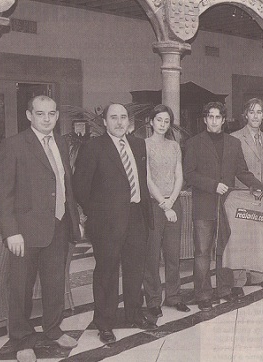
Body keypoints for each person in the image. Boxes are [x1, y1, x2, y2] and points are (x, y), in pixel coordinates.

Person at [0, 95, 81, 362]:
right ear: (29, 115)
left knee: (54, 282)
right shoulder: (14, 145)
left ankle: (53, 329)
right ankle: (21, 340)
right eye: (40, 113)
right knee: (20, 287)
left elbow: (64, 183)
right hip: (25, 232)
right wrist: (11, 232)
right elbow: (2, 193)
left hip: (58, 225)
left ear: (57, 116)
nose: (47, 119)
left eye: (52, 114)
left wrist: (73, 218)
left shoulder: (62, 142)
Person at [74, 103, 156, 345]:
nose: (119, 122)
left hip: (136, 217)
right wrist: (97, 215)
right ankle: (105, 322)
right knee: (107, 273)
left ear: (128, 121)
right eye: (114, 117)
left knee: (134, 270)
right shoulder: (93, 147)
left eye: (123, 117)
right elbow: (80, 187)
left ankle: (134, 313)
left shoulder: (139, 144)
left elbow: (140, 180)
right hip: (106, 223)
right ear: (105, 121)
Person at [183, 102, 263, 312]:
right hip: (204, 205)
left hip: (228, 205)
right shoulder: (193, 143)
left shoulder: (233, 143)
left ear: (223, 119)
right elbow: (189, 174)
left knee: (225, 249)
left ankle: (224, 290)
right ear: (204, 119)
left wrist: (260, 187)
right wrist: (212, 185)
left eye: (218, 117)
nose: (214, 121)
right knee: (202, 252)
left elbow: (242, 171)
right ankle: (202, 294)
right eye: (210, 116)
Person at [142, 105, 189, 318]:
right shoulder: (144, 145)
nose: (162, 124)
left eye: (166, 121)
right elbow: (147, 178)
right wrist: (163, 203)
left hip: (173, 203)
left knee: (173, 254)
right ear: (151, 122)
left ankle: (174, 296)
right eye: (159, 120)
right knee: (151, 256)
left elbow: (179, 175)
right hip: (154, 206)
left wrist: (172, 201)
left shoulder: (174, 146)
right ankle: (153, 300)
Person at [231, 98, 263, 288]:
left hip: (262, 196)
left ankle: (259, 276)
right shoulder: (235, 137)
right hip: (243, 193)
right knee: (240, 237)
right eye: (252, 112)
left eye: (259, 112)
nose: (255, 116)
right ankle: (238, 280)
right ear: (245, 115)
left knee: (260, 235)